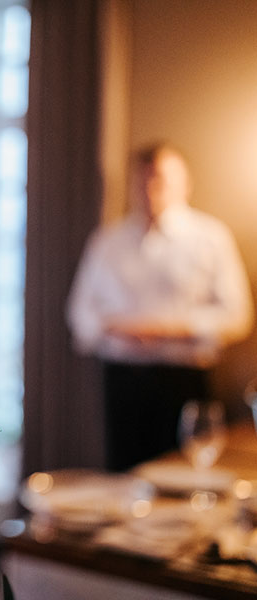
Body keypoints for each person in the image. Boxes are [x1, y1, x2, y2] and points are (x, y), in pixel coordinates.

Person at [67, 142, 253, 472]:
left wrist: (173, 329)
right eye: (142, 180)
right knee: (124, 476)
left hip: (183, 381)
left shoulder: (209, 237)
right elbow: (80, 313)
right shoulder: (109, 240)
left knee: (185, 474)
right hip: (123, 381)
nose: (150, 189)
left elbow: (238, 315)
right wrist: (117, 328)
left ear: (184, 183)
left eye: (160, 180)